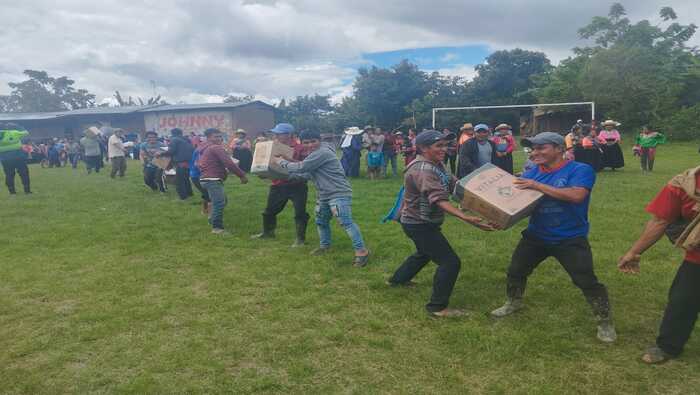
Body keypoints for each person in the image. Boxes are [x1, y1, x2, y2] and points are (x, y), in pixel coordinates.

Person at [490, 132, 617, 343]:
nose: (535, 152)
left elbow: (577, 196)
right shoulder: (531, 173)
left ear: (559, 149)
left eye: (542, 148)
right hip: (536, 235)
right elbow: (524, 206)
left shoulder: (579, 169)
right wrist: (503, 219)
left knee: (585, 280)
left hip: (569, 237)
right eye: (533, 148)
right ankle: (514, 302)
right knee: (516, 271)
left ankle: (605, 321)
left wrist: (537, 186)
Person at [388, 130, 494, 317]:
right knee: (450, 262)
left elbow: (454, 184)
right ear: (423, 148)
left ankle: (397, 281)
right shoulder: (423, 170)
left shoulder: (437, 164)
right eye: (439, 146)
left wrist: (484, 192)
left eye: (445, 145)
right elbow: (437, 199)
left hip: (423, 222)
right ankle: (437, 308)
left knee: (424, 253)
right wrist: (465, 217)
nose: (444, 149)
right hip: (418, 224)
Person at [618, 166, 700, 364]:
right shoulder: (683, 184)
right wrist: (634, 252)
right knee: (682, 301)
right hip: (697, 258)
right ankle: (668, 346)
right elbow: (660, 221)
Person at [276, 130, 370, 267]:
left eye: (313, 141)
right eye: (306, 142)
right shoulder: (313, 155)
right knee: (321, 221)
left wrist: (281, 162)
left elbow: (301, 167)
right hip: (324, 194)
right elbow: (306, 175)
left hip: (338, 193)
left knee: (345, 222)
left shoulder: (323, 152)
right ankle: (325, 246)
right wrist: (277, 175)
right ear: (301, 143)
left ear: (319, 140)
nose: (310, 145)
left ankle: (362, 252)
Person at [251, 123, 311, 248]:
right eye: (275, 133)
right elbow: (270, 165)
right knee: (269, 211)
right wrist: (264, 173)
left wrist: (287, 159)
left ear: (288, 134)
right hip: (278, 184)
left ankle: (300, 239)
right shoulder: (272, 147)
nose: (276, 136)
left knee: (300, 213)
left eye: (279, 133)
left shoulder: (301, 148)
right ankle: (268, 233)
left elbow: (306, 166)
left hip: (297, 185)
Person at [197, 128, 248, 234]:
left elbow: (198, 163)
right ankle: (217, 228)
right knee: (219, 203)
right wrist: (242, 175)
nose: (219, 138)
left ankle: (212, 220)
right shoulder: (216, 147)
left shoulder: (204, 148)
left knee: (222, 201)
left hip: (206, 179)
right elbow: (228, 163)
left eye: (220, 136)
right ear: (209, 138)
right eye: (216, 136)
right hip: (212, 179)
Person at [159, 128, 194, 200]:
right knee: (186, 179)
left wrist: (160, 153)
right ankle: (190, 193)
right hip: (188, 162)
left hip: (180, 162)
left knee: (179, 181)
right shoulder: (187, 139)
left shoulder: (174, 139)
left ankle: (183, 197)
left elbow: (171, 151)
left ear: (173, 133)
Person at [0, 125, 31, 195]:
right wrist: (17, 126)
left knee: (9, 174)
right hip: (18, 156)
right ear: (6, 128)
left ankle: (12, 192)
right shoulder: (14, 132)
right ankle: (27, 190)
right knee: (24, 173)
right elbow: (26, 132)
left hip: (5, 158)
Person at [190, 140, 210, 216]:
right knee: (207, 194)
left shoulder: (201, 150)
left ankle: (205, 211)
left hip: (199, 175)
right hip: (197, 176)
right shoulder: (201, 151)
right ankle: (210, 214)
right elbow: (197, 165)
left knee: (206, 193)